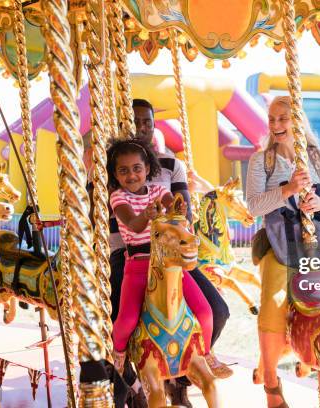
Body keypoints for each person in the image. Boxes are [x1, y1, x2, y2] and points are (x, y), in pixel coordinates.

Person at [245, 95, 320, 407]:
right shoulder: (261, 161)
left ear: (297, 122)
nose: (276, 125)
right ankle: (271, 382)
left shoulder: (317, 158)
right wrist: (287, 191)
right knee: (274, 302)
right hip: (282, 245)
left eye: (283, 119)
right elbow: (253, 206)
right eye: (272, 119)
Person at [127, 99, 233, 406]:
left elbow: (182, 210)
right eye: (136, 122)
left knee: (219, 311)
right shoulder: (119, 168)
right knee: (118, 320)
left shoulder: (172, 165)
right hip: (133, 255)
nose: (142, 128)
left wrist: (175, 223)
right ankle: (129, 384)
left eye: (147, 122)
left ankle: (182, 379)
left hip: (170, 254)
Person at [107, 138, 214, 368]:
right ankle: (118, 356)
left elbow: (173, 205)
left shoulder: (158, 189)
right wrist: (146, 214)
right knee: (126, 320)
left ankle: (206, 354)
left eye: (137, 168)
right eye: (123, 171)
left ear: (147, 169)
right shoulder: (118, 197)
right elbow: (133, 225)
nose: (132, 175)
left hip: (168, 266)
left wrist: (179, 207)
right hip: (137, 267)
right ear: (116, 175)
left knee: (205, 311)